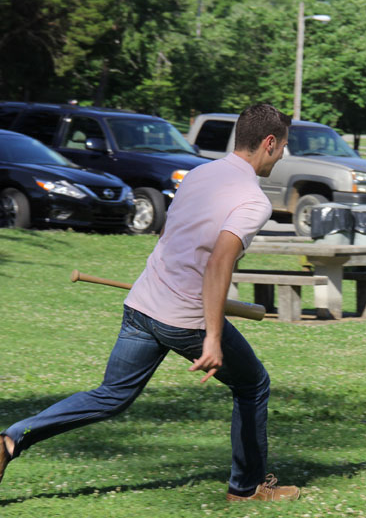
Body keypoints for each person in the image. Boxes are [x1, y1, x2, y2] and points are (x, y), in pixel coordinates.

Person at [0, 103, 298, 503]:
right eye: (283, 147)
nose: (282, 156)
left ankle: (10, 440)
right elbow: (218, 263)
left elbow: (168, 237)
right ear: (269, 142)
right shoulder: (253, 199)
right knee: (252, 384)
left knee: (110, 396)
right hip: (185, 318)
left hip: (142, 304)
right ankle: (246, 488)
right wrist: (212, 337)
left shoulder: (198, 174)